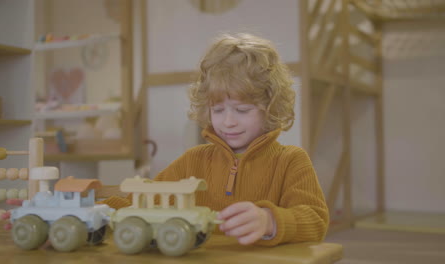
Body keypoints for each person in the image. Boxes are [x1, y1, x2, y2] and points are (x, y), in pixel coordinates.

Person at [102, 33, 329, 246]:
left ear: (270, 108)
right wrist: (93, 205)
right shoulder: (193, 160)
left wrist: (270, 220)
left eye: (242, 110)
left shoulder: (291, 160)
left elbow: (316, 220)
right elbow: (145, 202)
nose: (228, 121)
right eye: (218, 110)